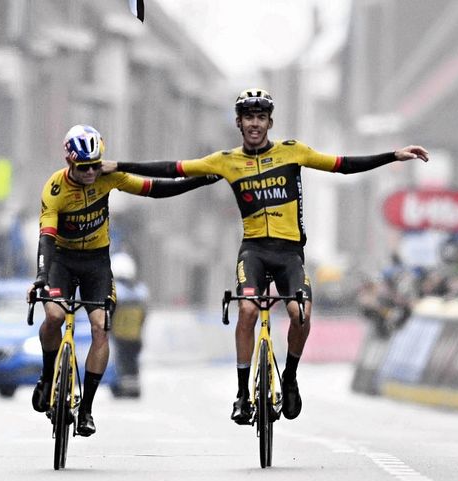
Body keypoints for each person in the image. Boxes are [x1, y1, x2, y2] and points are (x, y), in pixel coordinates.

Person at [102, 88, 429, 424]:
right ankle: (243, 394)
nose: (254, 124)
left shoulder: (293, 152)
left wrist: (393, 155)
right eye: (248, 118)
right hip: (254, 252)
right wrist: (119, 167)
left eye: (260, 117)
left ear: (269, 122)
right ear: (239, 123)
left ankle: (289, 380)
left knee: (300, 312)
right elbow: (173, 169)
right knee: (246, 309)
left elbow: (342, 165)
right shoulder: (226, 161)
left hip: (289, 253)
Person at [26, 124, 218, 437]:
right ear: (69, 163)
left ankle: (86, 409)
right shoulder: (55, 189)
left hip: (97, 263)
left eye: (94, 165)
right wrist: (41, 278)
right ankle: (48, 377)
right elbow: (46, 238)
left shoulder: (108, 176)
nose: (90, 172)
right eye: (83, 167)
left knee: (101, 326)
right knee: (54, 316)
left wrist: (198, 181)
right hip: (62, 260)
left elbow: (155, 188)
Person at [109, 251, 148, 398]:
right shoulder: (141, 291)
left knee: (122, 359)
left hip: (119, 334)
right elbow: (144, 315)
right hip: (135, 335)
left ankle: (123, 384)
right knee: (132, 361)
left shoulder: (115, 291)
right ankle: (132, 384)